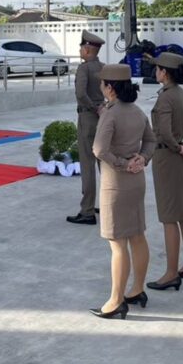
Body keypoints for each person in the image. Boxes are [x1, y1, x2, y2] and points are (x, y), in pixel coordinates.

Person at [90, 64, 156, 319]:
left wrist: (121, 163)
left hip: (116, 183)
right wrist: (142, 158)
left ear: (110, 88)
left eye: (102, 83)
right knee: (137, 236)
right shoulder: (137, 111)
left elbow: (99, 150)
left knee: (117, 244)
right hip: (136, 181)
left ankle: (116, 300)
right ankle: (137, 289)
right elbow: (151, 140)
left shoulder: (111, 113)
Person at [147, 52, 183, 291]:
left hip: (167, 158)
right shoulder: (181, 94)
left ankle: (171, 273)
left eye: (158, 68)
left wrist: (179, 146)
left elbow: (165, 132)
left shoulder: (166, 97)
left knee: (169, 217)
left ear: (165, 72)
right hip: (178, 158)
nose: (155, 72)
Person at [69, 30, 105, 225]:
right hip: (103, 117)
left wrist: (93, 108)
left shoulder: (84, 69)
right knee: (103, 163)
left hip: (88, 117)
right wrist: (102, 107)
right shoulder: (103, 67)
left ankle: (87, 210)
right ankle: (106, 203)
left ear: (88, 49)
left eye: (82, 47)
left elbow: (81, 94)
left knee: (87, 165)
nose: (80, 50)